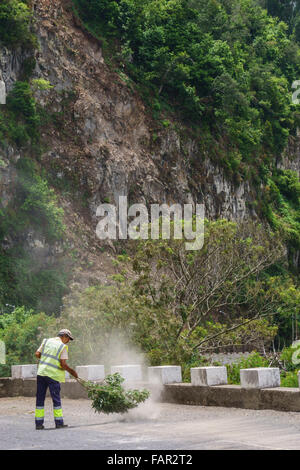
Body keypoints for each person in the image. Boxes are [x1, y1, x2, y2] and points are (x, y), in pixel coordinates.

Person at [34, 328, 78, 430]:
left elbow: (37, 354)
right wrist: (72, 372)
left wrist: (46, 359)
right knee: (56, 400)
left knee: (40, 399)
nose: (68, 342)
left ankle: (38, 424)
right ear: (64, 336)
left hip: (41, 373)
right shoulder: (62, 346)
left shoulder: (46, 341)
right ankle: (59, 423)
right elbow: (63, 364)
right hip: (53, 375)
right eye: (68, 339)